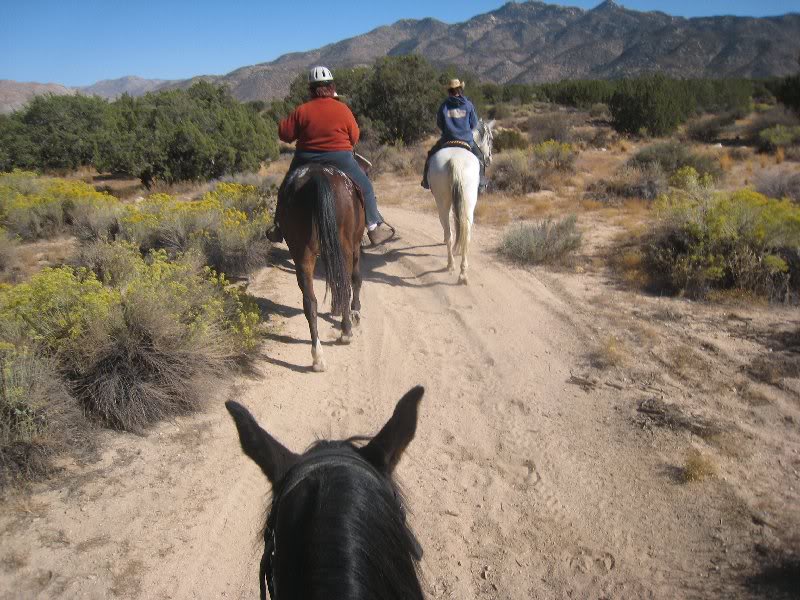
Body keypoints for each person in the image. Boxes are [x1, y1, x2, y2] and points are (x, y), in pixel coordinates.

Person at [267, 66, 394, 246]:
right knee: (365, 186)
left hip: (306, 158)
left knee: (286, 187)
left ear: (310, 89)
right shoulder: (343, 109)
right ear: (332, 87)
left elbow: (285, 134)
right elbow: (355, 137)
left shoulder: (302, 110)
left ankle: (278, 226)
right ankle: (373, 228)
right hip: (340, 158)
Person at [421, 78, 487, 191]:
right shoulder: (468, 105)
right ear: (460, 89)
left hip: (447, 140)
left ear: (449, 91)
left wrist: (449, 130)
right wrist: (464, 130)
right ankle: (481, 184)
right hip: (466, 140)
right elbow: (474, 124)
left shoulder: (444, 106)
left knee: (430, 155)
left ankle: (426, 182)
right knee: (480, 157)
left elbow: (440, 124)